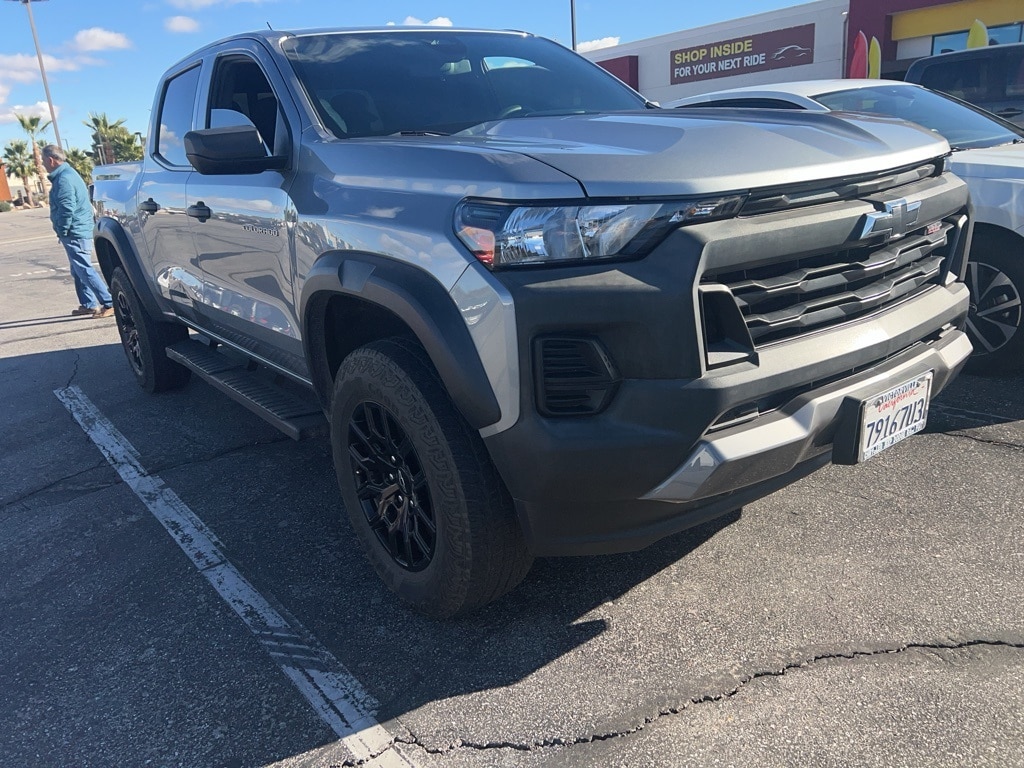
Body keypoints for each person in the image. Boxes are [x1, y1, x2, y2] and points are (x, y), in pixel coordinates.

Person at [41, 144, 114, 318]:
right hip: (78, 229)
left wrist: (62, 229)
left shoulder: (64, 179)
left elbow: (67, 208)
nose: (43, 164)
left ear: (51, 160)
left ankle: (109, 302)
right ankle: (88, 304)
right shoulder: (68, 174)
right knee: (77, 269)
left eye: (43, 161)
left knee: (83, 268)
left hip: (75, 231)